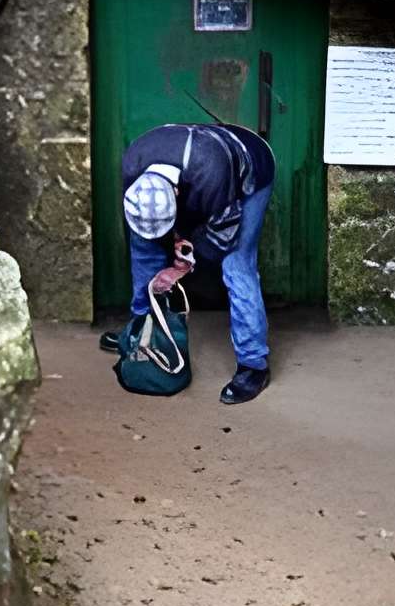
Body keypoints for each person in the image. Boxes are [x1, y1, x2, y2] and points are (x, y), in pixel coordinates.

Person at [103, 122, 276, 403]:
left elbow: (223, 233)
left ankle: (253, 365)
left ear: (178, 195)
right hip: (194, 160)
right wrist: (167, 244)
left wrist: (182, 265)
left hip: (250, 165)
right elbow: (149, 228)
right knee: (144, 248)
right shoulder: (132, 164)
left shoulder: (213, 172)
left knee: (237, 265)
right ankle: (143, 333)